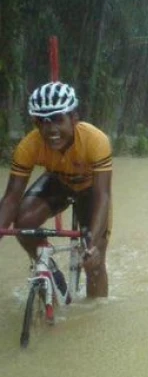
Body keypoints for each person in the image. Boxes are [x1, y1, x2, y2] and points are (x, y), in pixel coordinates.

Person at [0, 81, 112, 297]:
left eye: (58, 119)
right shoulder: (28, 146)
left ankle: (94, 316)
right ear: (36, 123)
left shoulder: (96, 141)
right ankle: (47, 266)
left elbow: (103, 196)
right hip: (60, 182)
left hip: (91, 190)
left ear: (74, 118)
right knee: (23, 223)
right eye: (43, 121)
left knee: (94, 262)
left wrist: (93, 246)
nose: (51, 130)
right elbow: (11, 199)